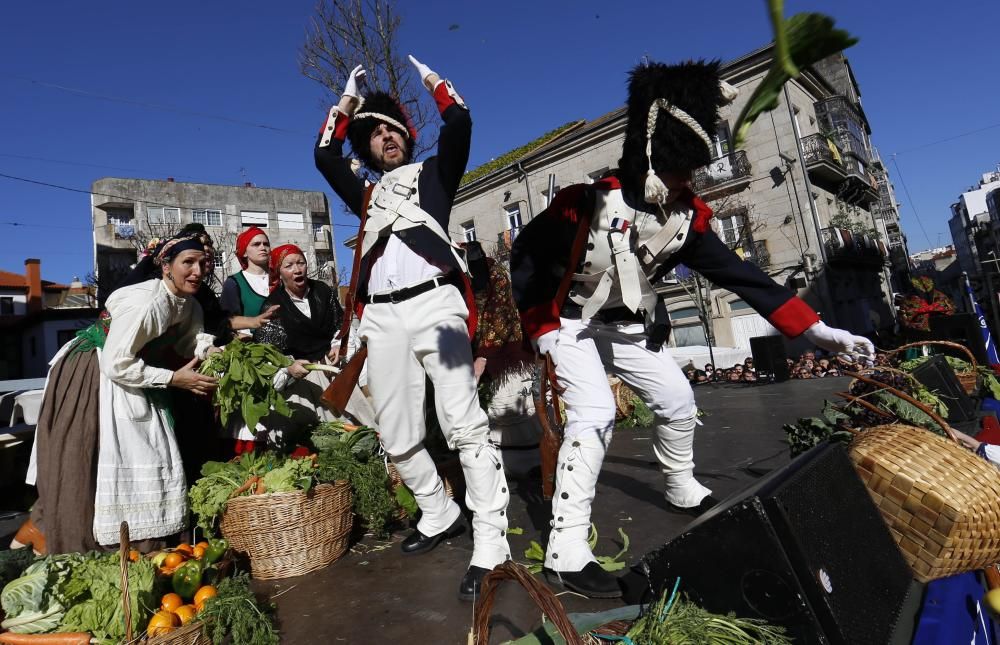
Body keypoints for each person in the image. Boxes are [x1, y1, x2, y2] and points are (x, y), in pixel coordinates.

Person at [510, 60, 874, 598]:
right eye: (680, 168)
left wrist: (819, 332)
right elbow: (526, 256)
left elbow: (744, 276)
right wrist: (538, 323)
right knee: (594, 412)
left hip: (629, 326)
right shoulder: (582, 204)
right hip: (569, 323)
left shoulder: (689, 221)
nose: (688, 180)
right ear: (653, 157)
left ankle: (681, 486)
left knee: (679, 399)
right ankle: (564, 552)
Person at [313, 56, 510, 600]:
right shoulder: (366, 196)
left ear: (405, 135)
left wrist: (435, 82)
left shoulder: (435, 176)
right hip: (382, 315)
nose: (384, 138)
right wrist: (347, 101)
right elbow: (324, 154)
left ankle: (492, 542)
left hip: (436, 305)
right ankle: (438, 510)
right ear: (368, 148)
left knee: (462, 423)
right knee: (396, 433)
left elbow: (461, 124)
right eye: (373, 135)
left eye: (391, 129)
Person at [17, 231, 220, 554]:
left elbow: (187, 341)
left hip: (133, 369)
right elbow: (116, 362)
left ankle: (42, 529)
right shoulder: (147, 303)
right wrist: (172, 379)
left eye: (202, 263)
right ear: (166, 266)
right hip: (93, 371)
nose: (197, 271)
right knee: (99, 451)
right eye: (188, 263)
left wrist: (212, 352)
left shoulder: (188, 304)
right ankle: (70, 536)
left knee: (145, 448)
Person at [253, 244, 346, 443]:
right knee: (307, 438)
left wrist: (339, 345)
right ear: (279, 271)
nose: (297, 269)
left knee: (351, 426)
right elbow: (268, 357)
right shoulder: (274, 305)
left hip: (331, 371)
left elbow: (341, 324)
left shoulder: (322, 291)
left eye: (301, 263)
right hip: (298, 380)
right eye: (289, 265)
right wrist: (288, 368)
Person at [221, 226, 273, 333]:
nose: (263, 247)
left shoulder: (280, 278)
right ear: (244, 252)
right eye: (256, 244)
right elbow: (226, 320)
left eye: (266, 244)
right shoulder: (234, 283)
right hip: (252, 346)